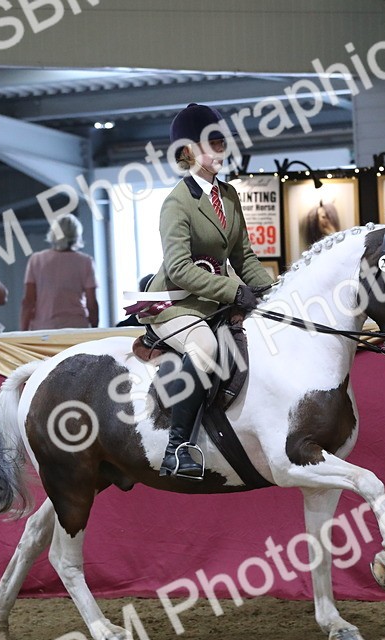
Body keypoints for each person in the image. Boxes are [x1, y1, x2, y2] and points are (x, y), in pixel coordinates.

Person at [137, 103, 274, 481]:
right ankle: (177, 449)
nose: (220, 149)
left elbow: (244, 257)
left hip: (214, 304)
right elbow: (179, 269)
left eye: (222, 141)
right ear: (186, 151)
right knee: (206, 349)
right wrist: (234, 290)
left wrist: (274, 291)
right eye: (212, 142)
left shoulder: (228, 195)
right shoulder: (176, 203)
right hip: (175, 306)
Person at [21, 214, 99, 330]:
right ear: (77, 235)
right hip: (77, 327)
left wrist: (23, 332)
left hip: (44, 329)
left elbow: (28, 302)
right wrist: (94, 328)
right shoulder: (86, 262)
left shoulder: (36, 260)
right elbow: (91, 303)